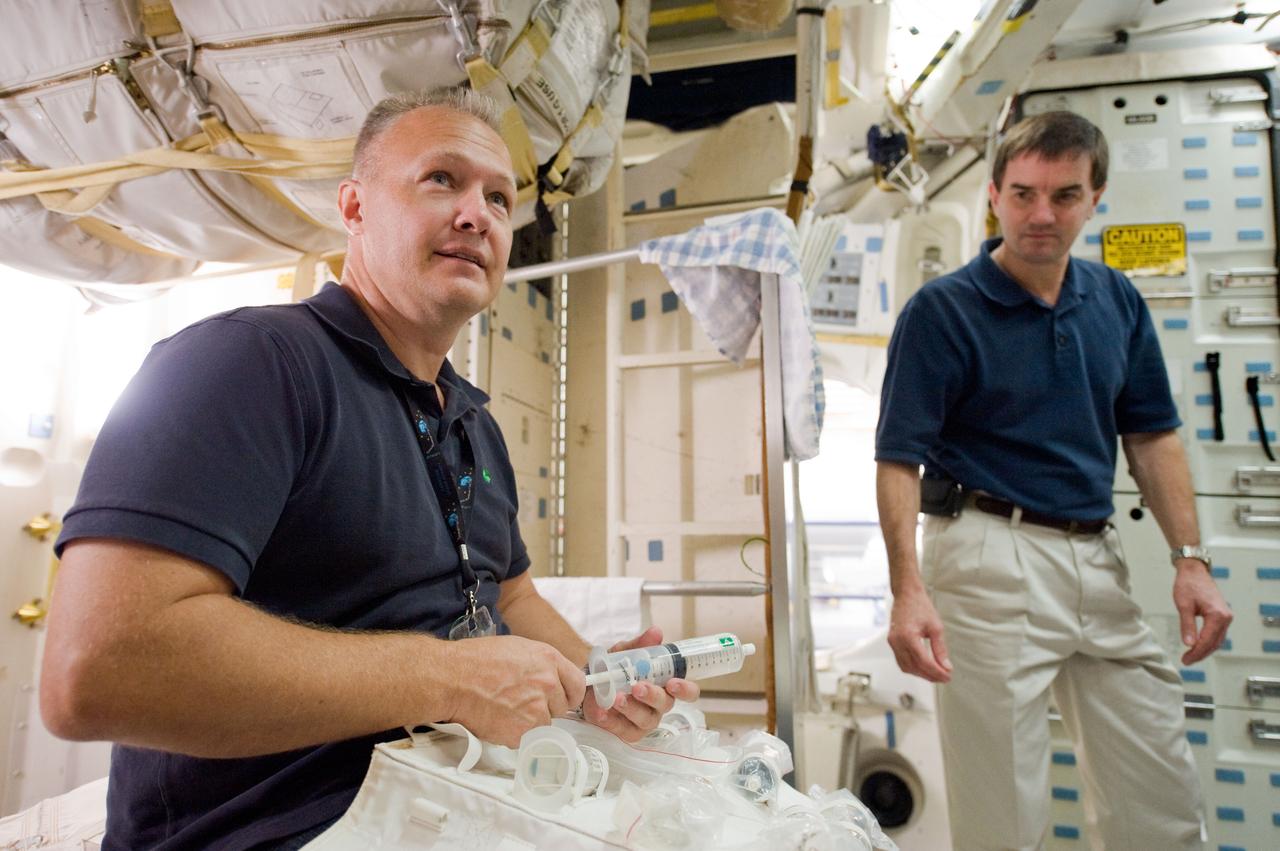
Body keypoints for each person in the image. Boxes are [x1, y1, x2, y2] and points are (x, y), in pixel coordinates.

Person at [39, 86, 698, 850]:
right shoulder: (246, 363)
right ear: (353, 207)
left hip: (451, 801)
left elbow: (508, 591)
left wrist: (593, 678)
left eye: (498, 197)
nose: (477, 214)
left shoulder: (474, 426)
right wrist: (449, 678)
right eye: (441, 179)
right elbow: (95, 668)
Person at [874, 110, 1232, 850]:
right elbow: (897, 459)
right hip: (985, 559)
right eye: (1024, 193)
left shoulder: (1116, 299)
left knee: (1160, 797)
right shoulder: (942, 311)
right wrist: (907, 587)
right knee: (1003, 812)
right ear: (994, 196)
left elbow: (1153, 436)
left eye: (1064, 195)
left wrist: (1189, 558)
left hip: (1096, 559)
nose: (1042, 214)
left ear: (1095, 197)